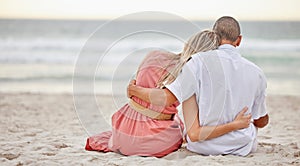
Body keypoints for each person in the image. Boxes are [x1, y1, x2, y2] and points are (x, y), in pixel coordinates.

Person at [85, 30, 251, 157]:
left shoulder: (155, 54)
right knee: (182, 132)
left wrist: (134, 90)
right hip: (147, 139)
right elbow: (166, 99)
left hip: (123, 126)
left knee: (177, 121)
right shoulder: (190, 73)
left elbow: (141, 84)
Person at [127, 16, 269, 156]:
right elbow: (261, 121)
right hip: (242, 146)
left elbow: (167, 98)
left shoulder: (197, 62)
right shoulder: (256, 72)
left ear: (215, 37)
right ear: (239, 40)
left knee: (192, 95)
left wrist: (134, 90)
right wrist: (244, 122)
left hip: (203, 146)